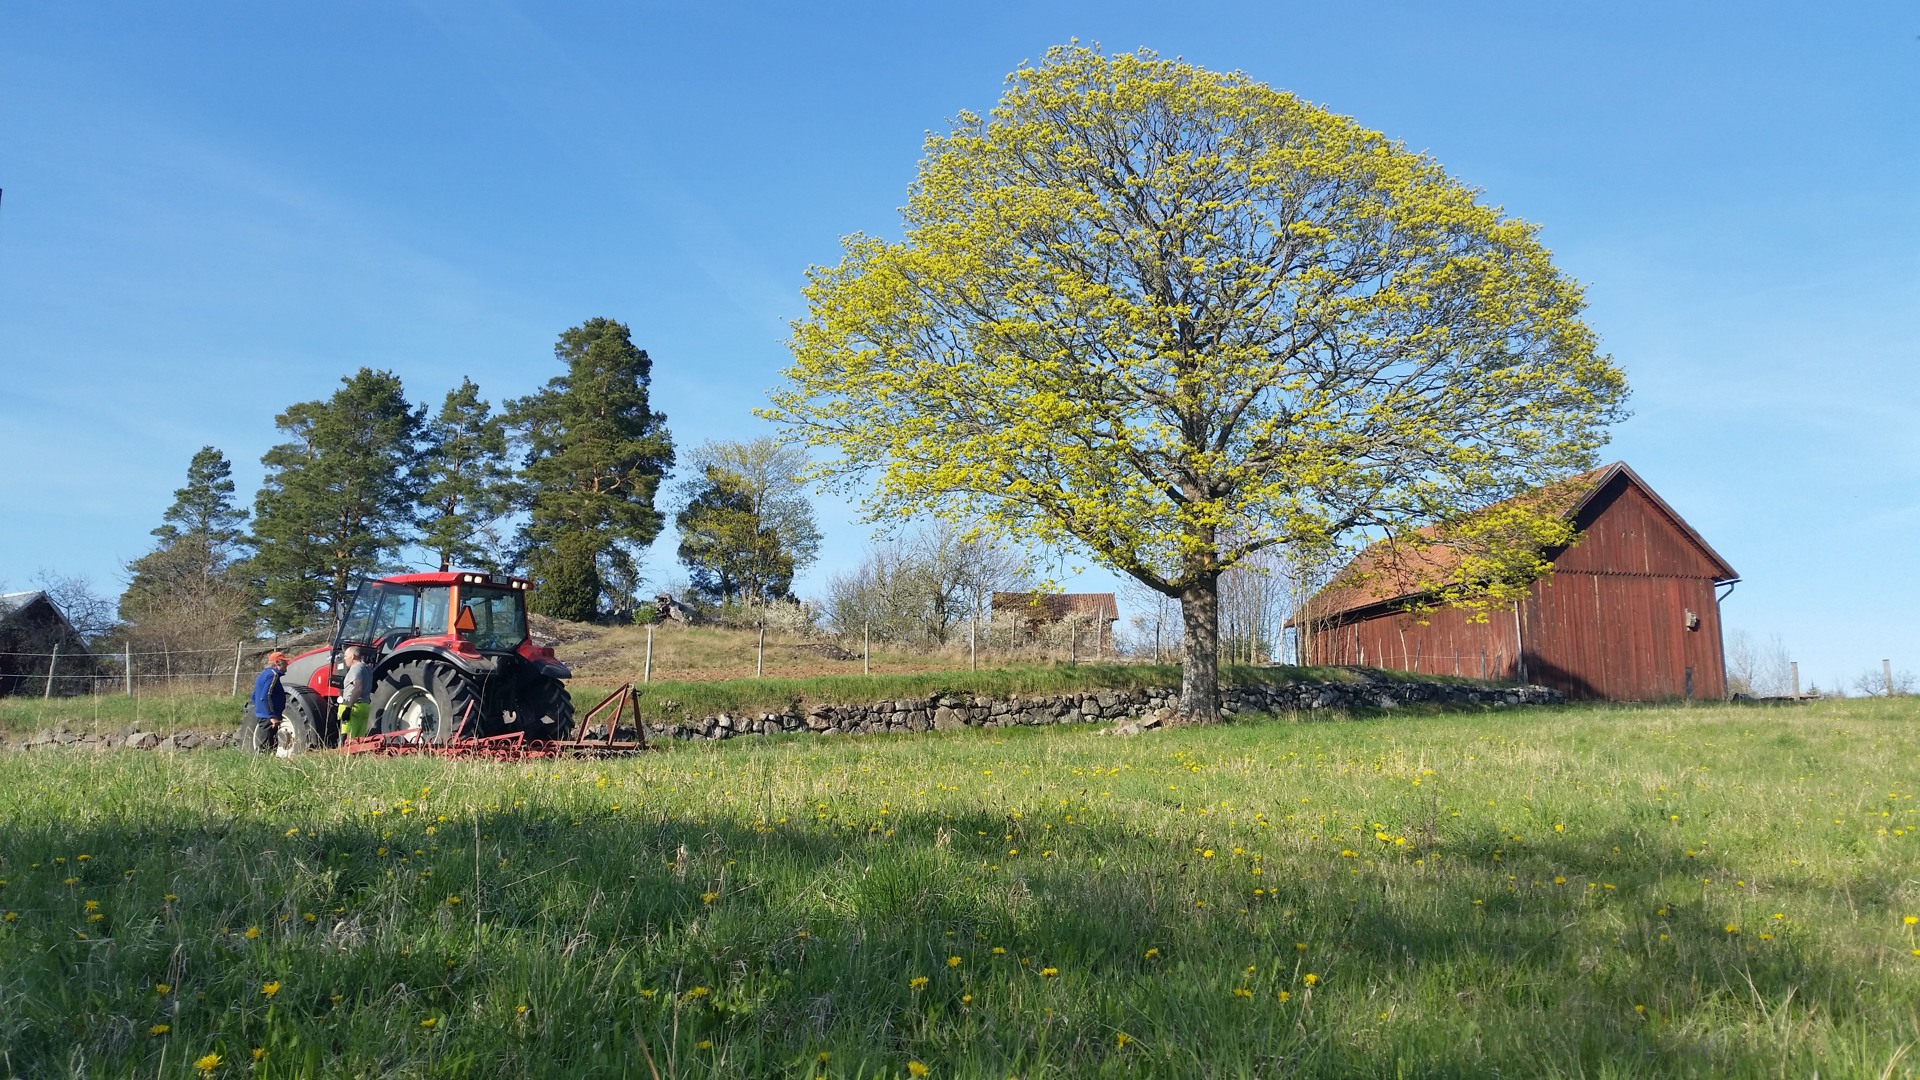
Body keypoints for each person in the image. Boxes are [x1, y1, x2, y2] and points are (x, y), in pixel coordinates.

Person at [249, 652, 289, 752]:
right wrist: (271, 716)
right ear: (277, 663)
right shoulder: (273, 675)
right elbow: (265, 695)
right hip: (269, 717)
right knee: (267, 747)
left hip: (264, 715)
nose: (287, 665)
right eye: (285, 662)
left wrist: (260, 710)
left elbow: (254, 696)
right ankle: (260, 765)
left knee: (266, 745)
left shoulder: (263, 674)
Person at [337, 646, 374, 739]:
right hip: (364, 707)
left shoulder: (355, 668)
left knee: (346, 740)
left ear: (352, 656)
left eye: (346, 656)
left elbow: (358, 687)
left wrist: (348, 708)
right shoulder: (368, 669)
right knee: (359, 741)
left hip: (353, 707)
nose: (344, 659)